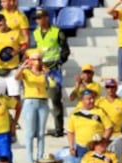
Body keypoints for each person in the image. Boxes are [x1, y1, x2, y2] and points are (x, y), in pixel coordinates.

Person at [32, 7, 70, 137]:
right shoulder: (36, 33)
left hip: (52, 69)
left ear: (46, 18)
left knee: (55, 99)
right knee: (38, 99)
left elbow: (65, 50)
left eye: (40, 18)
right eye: (36, 19)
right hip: (39, 68)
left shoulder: (56, 31)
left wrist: (59, 61)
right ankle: (38, 129)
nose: (37, 21)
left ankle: (59, 128)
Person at [15, 50, 50, 163]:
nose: (37, 61)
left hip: (43, 101)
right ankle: (30, 160)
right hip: (30, 101)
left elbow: (49, 85)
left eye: (39, 59)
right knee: (30, 133)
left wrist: (46, 75)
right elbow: (16, 77)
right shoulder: (26, 72)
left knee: (41, 133)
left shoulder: (44, 72)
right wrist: (22, 67)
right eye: (34, 59)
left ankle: (40, 158)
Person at [0, 13, 27, 101]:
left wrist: (16, 51)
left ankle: (16, 114)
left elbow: (24, 46)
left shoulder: (16, 33)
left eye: (0, 20)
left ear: (5, 20)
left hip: (12, 68)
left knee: (15, 95)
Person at [67, 89, 113, 158]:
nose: (92, 101)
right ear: (82, 100)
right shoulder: (75, 114)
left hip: (96, 147)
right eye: (89, 99)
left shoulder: (100, 112)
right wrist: (71, 146)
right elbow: (70, 132)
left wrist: (103, 141)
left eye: (93, 98)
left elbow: (109, 128)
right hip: (81, 148)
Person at [97, 78, 122, 163]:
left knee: (117, 158)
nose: (110, 89)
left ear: (116, 88)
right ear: (105, 88)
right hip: (103, 135)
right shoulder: (99, 102)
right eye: (108, 87)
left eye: (113, 87)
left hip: (118, 135)